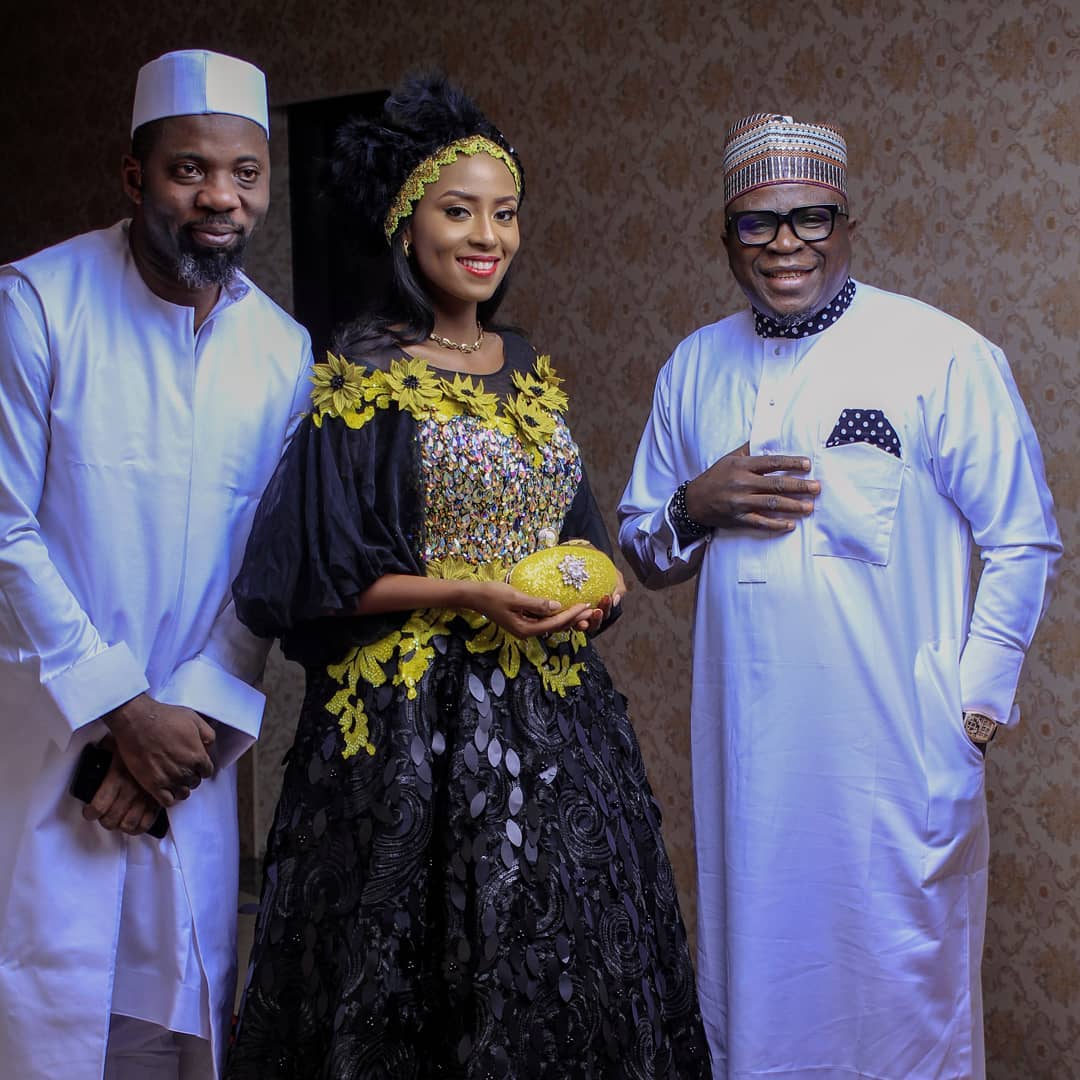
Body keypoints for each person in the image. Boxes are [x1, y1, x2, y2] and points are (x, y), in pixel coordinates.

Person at [225, 74, 710, 1080]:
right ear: (408, 228)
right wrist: (470, 593)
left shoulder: (524, 363)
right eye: (459, 211)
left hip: (553, 727)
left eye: (505, 212)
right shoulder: (364, 372)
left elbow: (577, 533)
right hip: (408, 738)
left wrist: (607, 588)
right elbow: (314, 578)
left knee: (557, 964)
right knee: (414, 981)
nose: (487, 234)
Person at [618, 111, 1062, 1079]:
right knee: (760, 1012)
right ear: (725, 236)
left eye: (810, 218)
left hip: (895, 773)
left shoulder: (940, 357)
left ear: (848, 221)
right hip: (750, 776)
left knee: (906, 1019)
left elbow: (1025, 535)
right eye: (758, 222)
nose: (786, 245)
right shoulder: (695, 367)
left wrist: (975, 709)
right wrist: (696, 504)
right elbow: (639, 551)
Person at [0, 49, 312, 1080]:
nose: (219, 197)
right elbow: (4, 531)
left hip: (187, 759)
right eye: (189, 170)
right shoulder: (37, 303)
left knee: (178, 1032)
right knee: (46, 1021)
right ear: (136, 178)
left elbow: (270, 560)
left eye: (245, 173)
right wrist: (118, 710)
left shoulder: (283, 350)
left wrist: (183, 718)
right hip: (57, 749)